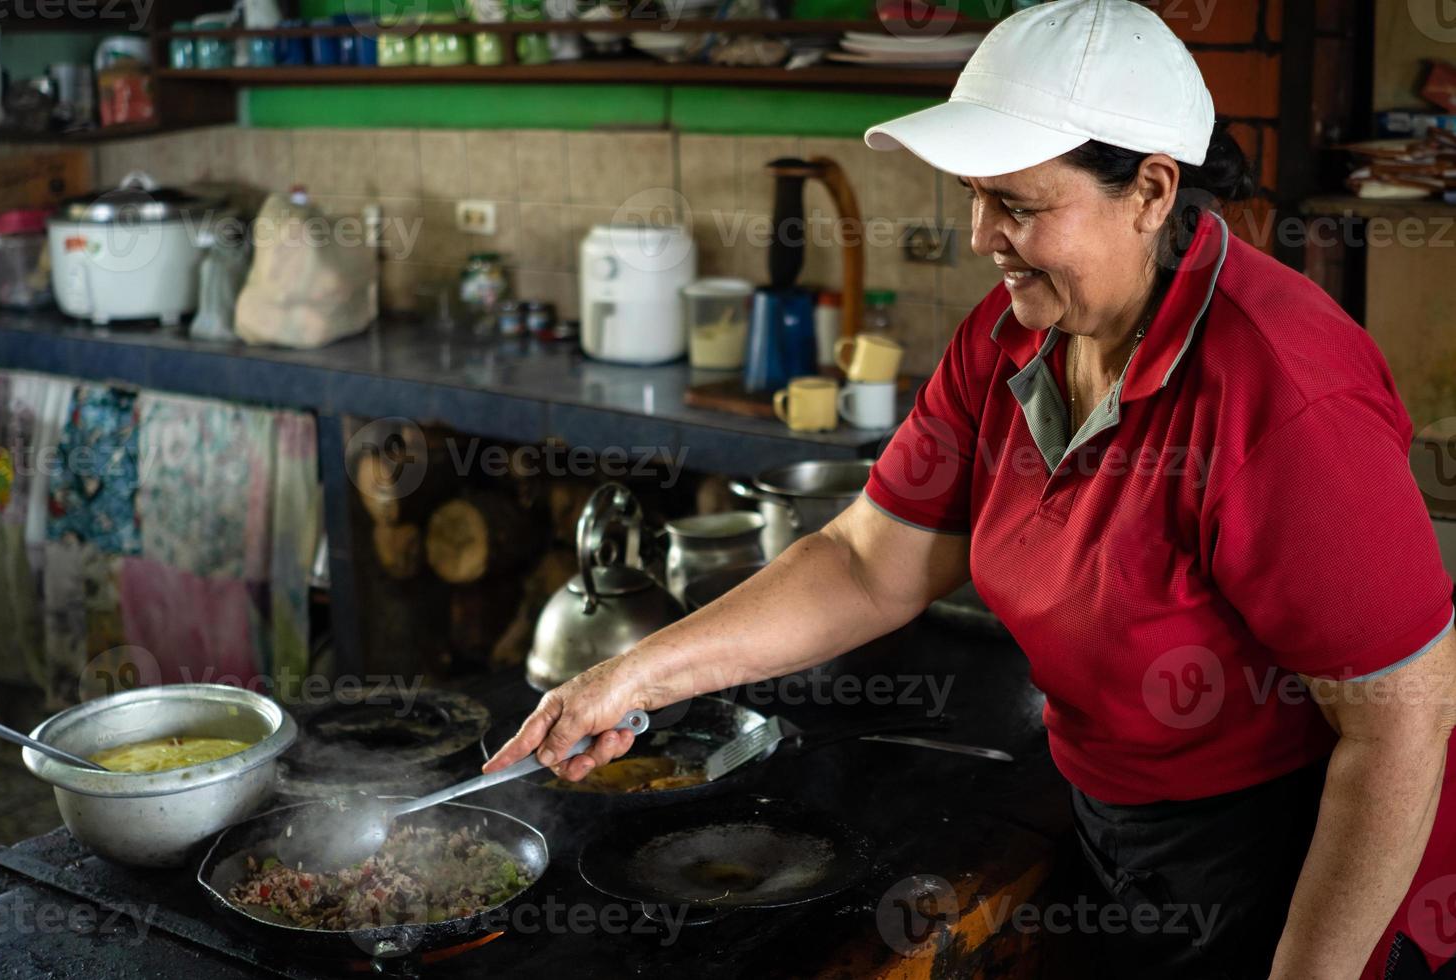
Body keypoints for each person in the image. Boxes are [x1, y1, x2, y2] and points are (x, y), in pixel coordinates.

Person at [487, 2, 1456, 976]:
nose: (980, 234)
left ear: (1153, 190)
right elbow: (868, 561)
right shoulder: (1013, 336)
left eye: (1018, 205)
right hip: (1112, 821)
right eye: (975, 196)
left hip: (1294, 857)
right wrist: (624, 678)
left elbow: (1404, 723)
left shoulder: (1283, 391)